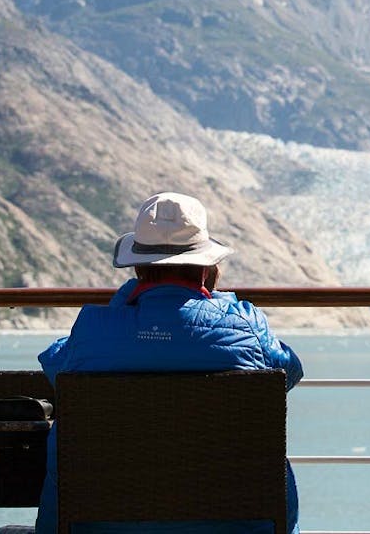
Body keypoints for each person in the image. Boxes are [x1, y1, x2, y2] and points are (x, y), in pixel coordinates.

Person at [35, 191, 305, 534]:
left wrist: (122, 307)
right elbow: (290, 369)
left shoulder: (93, 328)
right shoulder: (245, 326)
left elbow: (55, 365)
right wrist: (224, 304)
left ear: (137, 267)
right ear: (207, 267)